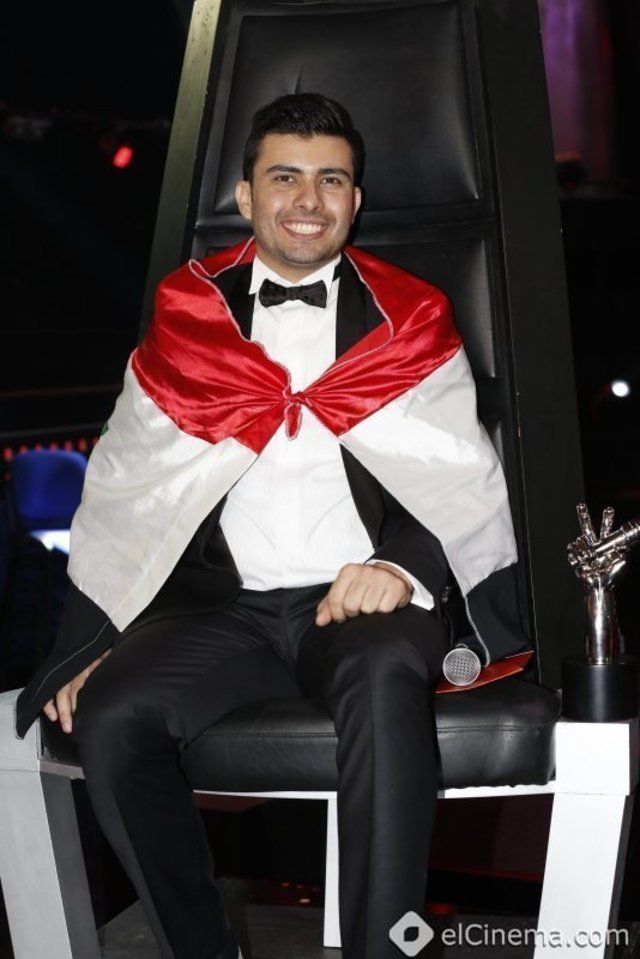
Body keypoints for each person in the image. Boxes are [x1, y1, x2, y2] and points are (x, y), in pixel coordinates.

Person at [14, 93, 530, 959]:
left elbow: (460, 475)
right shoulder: (188, 315)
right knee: (113, 713)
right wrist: (100, 635)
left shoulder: (407, 315)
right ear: (246, 195)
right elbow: (129, 488)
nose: (308, 199)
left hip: (360, 605)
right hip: (224, 612)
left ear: (355, 200)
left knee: (385, 679)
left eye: (331, 179)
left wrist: (401, 568)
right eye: (284, 177)